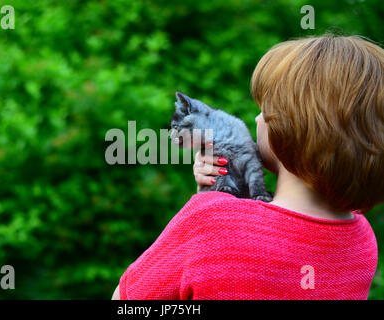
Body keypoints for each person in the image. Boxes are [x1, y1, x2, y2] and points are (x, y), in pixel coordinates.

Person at [112, 35, 384, 300]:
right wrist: (222, 191)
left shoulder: (211, 222)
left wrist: (210, 203)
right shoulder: (362, 241)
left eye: (264, 109)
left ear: (291, 129)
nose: (256, 118)